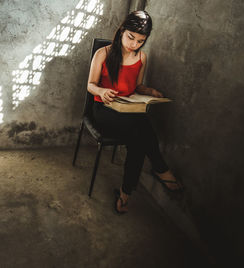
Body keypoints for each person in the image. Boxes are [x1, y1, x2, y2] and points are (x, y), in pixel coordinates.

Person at [87, 10, 183, 214]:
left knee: (138, 138)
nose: (134, 44)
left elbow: (137, 86)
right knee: (141, 129)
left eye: (140, 41)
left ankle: (125, 193)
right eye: (131, 37)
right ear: (122, 31)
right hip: (104, 109)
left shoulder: (142, 57)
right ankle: (159, 169)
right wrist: (102, 91)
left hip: (128, 109)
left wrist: (150, 91)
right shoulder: (103, 53)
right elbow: (90, 85)